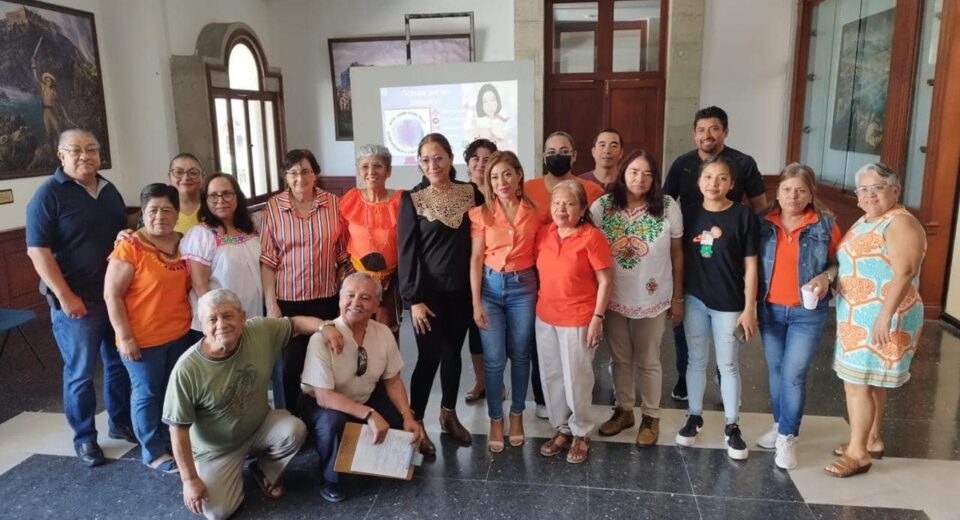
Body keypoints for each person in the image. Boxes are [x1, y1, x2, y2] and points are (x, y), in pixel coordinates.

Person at [163, 289, 332, 520]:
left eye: (228, 316)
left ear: (243, 317)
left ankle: (263, 471)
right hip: (216, 450)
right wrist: (189, 480)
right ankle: (227, 474)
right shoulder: (187, 369)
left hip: (258, 426)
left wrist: (326, 328)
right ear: (202, 325)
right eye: (212, 319)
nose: (221, 324)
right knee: (218, 512)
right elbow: (177, 429)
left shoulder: (259, 331)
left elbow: (296, 323)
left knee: (295, 430)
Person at [25, 129, 134, 467]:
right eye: (76, 150)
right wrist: (65, 295)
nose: (85, 156)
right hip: (78, 303)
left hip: (113, 298)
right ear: (61, 156)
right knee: (81, 372)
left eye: (91, 149)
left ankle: (119, 422)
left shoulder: (108, 189)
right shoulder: (48, 196)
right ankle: (85, 438)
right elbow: (37, 251)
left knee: (117, 366)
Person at [825, 163, 926, 478]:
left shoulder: (900, 223)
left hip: (881, 315)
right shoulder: (870, 219)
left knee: (857, 384)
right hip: (859, 314)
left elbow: (905, 272)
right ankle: (871, 439)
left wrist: (884, 316)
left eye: (877, 188)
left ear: (895, 190)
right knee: (869, 382)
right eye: (863, 189)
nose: (869, 194)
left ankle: (858, 454)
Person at [663, 106, 768, 402]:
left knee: (726, 341)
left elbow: (760, 209)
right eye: (701, 130)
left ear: (725, 131)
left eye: (714, 129)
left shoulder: (743, 163)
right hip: (690, 255)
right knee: (686, 331)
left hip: (730, 259)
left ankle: (725, 379)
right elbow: (666, 204)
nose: (707, 135)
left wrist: (747, 247)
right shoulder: (682, 164)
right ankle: (685, 378)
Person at [299, 273, 425, 503]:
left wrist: (408, 416)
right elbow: (325, 397)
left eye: (365, 297)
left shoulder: (383, 333)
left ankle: (371, 459)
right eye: (350, 295)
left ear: (377, 304)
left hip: (363, 397)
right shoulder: (321, 339)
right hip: (323, 403)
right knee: (331, 422)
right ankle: (330, 479)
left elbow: (393, 380)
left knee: (399, 423)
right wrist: (369, 414)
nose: (356, 302)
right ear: (339, 300)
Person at [590, 149, 683, 447]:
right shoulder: (603, 206)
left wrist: (678, 297)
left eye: (647, 173)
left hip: (652, 296)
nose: (639, 178)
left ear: (654, 178)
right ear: (623, 173)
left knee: (648, 359)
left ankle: (651, 415)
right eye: (633, 171)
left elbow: (678, 253)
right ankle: (624, 410)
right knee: (619, 358)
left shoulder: (667, 207)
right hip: (614, 294)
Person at [398, 133, 483, 453]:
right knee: (429, 357)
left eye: (438, 157)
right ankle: (416, 423)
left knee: (453, 355)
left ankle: (448, 414)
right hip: (427, 296)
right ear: (419, 163)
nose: (432, 164)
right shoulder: (412, 198)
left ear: (450, 159)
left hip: (461, 292)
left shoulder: (470, 192)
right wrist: (413, 300)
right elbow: (406, 253)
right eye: (425, 159)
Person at [104, 183, 196, 473]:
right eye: (153, 210)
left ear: (177, 213)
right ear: (143, 213)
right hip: (142, 339)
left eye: (167, 210)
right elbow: (112, 295)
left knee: (173, 393)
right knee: (146, 393)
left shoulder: (185, 243)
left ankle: (172, 441)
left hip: (180, 334)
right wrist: (125, 336)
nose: (160, 216)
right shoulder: (129, 247)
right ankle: (153, 451)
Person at [674, 155, 760, 461]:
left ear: (732, 184)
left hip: (729, 304)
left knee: (728, 365)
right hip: (695, 299)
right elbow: (678, 259)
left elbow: (751, 266)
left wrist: (749, 308)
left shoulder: (743, 216)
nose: (714, 183)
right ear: (699, 182)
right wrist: (678, 299)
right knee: (695, 361)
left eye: (722, 178)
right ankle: (693, 416)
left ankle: (732, 426)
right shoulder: (689, 214)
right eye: (708, 177)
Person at [755, 163, 841, 470]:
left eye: (800, 190)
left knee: (793, 375)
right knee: (776, 371)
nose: (793, 195)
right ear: (777, 192)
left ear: (811, 193)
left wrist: (826, 278)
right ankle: (779, 424)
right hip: (770, 309)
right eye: (787, 189)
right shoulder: (762, 222)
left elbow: (837, 263)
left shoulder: (825, 224)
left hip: (807, 313)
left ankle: (788, 437)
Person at [260, 149, 347, 413]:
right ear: (286, 176)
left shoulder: (333, 203)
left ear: (316, 174)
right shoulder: (273, 208)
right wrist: (271, 305)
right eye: (293, 172)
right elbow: (267, 260)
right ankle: (289, 418)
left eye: (306, 171)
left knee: (326, 360)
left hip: (326, 298)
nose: (300, 178)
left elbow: (342, 253)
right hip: (288, 301)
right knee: (288, 365)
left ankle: (324, 415)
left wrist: (344, 291)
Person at [469, 151, 542, 452]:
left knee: (522, 354)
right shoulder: (481, 214)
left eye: (507, 174)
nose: (501, 181)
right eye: (494, 176)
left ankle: (517, 415)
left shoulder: (535, 212)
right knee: (495, 358)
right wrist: (475, 303)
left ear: (519, 175)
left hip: (524, 288)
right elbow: (475, 259)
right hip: (489, 288)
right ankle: (495, 418)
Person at [535, 180, 612, 464]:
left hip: (578, 318)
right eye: (556, 203)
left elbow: (605, 281)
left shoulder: (592, 237)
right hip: (545, 317)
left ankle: (581, 432)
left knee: (576, 379)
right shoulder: (544, 234)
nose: (561, 209)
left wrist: (597, 318)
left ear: (582, 209)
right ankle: (562, 428)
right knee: (552, 376)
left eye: (569, 203)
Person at [181, 173, 262, 334]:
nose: (221, 200)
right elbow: (200, 285)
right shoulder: (202, 235)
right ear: (205, 200)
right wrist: (220, 321)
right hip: (220, 323)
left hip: (253, 312)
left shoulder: (251, 228)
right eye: (213, 196)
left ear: (237, 196)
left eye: (227, 194)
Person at [338, 145, 404, 340]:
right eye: (365, 166)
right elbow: (340, 237)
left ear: (388, 170)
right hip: (356, 278)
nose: (371, 172)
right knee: (353, 331)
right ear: (359, 171)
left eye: (378, 166)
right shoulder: (350, 198)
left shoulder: (401, 200)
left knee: (386, 334)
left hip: (390, 280)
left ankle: (390, 372)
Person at [462, 138, 497, 404]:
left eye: (487, 158)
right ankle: (481, 382)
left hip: (496, 273)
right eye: (476, 158)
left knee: (494, 332)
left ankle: (498, 383)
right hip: (463, 270)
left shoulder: (503, 192)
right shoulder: (460, 192)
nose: (481, 163)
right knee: (475, 332)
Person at [525, 131, 605, 225]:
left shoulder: (593, 191)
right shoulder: (527, 189)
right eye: (551, 152)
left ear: (574, 156)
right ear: (544, 158)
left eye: (564, 152)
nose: (557, 156)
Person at [467, 83, 508, 149]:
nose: (490, 105)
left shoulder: (504, 123)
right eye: (485, 102)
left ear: (498, 101)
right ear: (481, 105)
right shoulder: (478, 125)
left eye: (493, 100)